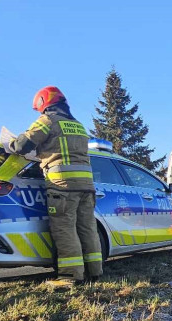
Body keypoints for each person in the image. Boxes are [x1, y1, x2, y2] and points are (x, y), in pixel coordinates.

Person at [7, 86, 102, 287]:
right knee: (87, 227)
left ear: (44, 104)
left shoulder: (47, 121)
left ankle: (70, 276)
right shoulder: (78, 125)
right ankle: (94, 271)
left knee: (64, 228)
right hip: (86, 185)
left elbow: (22, 145)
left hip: (62, 184)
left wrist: (13, 143)